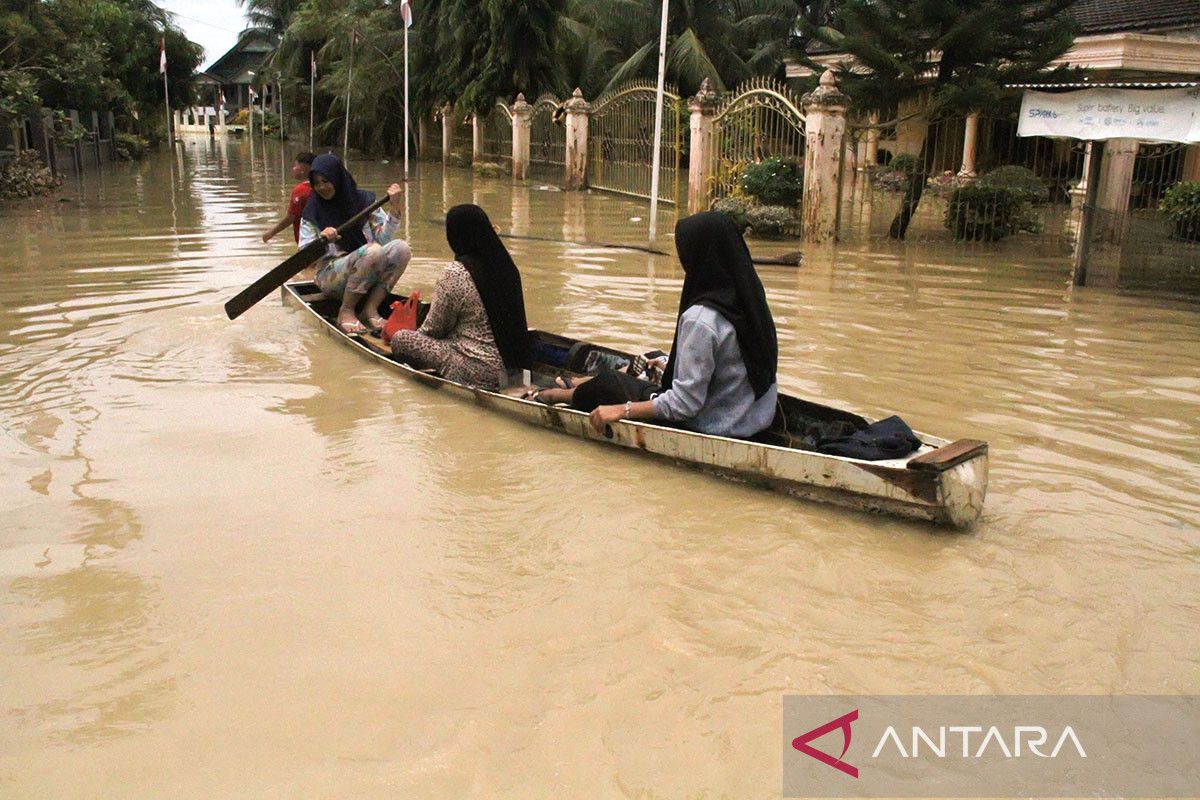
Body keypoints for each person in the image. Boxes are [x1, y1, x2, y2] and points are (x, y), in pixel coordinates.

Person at [531, 211, 778, 439]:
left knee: (609, 383)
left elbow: (685, 405)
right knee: (654, 358)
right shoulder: (750, 298)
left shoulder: (702, 319)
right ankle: (575, 383)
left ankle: (551, 395)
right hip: (754, 417)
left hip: (716, 424)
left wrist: (622, 410)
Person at [388, 204, 529, 389]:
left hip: (480, 373)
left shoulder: (456, 272)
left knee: (401, 339)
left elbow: (434, 330)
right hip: (516, 371)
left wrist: (404, 331)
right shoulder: (507, 266)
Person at [298, 153, 412, 334]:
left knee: (401, 248)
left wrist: (395, 207)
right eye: (317, 183)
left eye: (326, 181)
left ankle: (370, 309)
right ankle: (346, 311)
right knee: (372, 251)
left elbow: (383, 240)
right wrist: (324, 242)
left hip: (369, 263)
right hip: (330, 276)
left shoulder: (364, 201)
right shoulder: (312, 212)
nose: (321, 187)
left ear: (337, 178)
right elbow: (305, 256)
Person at [261, 151, 315, 244]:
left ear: (303, 168)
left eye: (296, 165)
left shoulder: (300, 190)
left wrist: (271, 233)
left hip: (306, 241)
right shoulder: (321, 187)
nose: (294, 169)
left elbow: (291, 217)